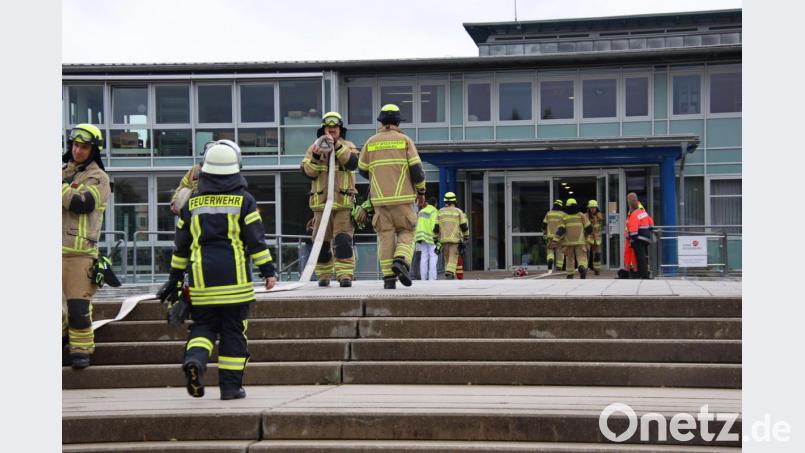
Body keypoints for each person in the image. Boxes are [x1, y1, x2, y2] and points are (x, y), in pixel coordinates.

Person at [159, 141, 277, 400]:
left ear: (206, 171)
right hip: (235, 284)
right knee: (234, 333)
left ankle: (195, 362)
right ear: (237, 169)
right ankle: (230, 388)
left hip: (202, 283)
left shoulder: (192, 204)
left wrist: (175, 280)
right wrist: (268, 271)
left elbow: (181, 248)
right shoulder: (245, 201)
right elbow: (256, 241)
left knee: (203, 328)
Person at [358, 104, 426, 289]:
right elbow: (417, 171)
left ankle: (389, 279)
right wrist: (421, 191)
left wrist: (378, 177)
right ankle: (401, 260)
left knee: (385, 236)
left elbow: (362, 170)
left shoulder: (370, 142)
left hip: (379, 200)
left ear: (381, 121)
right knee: (407, 231)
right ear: (398, 121)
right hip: (403, 198)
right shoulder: (405, 140)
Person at [62, 124, 112, 369]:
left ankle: (81, 352)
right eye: (74, 145)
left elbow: (83, 202)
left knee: (78, 307)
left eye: (83, 147)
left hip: (80, 253)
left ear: (93, 150)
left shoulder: (99, 178)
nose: (77, 151)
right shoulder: (61, 172)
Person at [300, 112, 360, 287]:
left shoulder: (348, 146)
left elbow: (352, 163)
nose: (332, 129)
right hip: (321, 204)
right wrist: (318, 156)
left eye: (335, 127)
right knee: (321, 243)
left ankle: (345, 275)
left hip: (343, 202)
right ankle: (324, 275)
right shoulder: (314, 148)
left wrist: (337, 148)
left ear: (340, 129)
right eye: (329, 127)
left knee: (343, 241)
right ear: (323, 129)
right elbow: (307, 172)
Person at [169, 139, 242, 215]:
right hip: (197, 211)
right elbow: (182, 187)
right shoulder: (196, 170)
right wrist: (176, 203)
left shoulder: (232, 173)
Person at [434, 192, 469, 280]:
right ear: (454, 201)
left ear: (445, 201)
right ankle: (449, 273)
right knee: (453, 258)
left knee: (447, 258)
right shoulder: (458, 211)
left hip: (444, 240)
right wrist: (466, 237)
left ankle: (448, 273)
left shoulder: (440, 212)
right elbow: (464, 226)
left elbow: (436, 228)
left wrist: (435, 239)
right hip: (455, 239)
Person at [555, 198, 592, 279]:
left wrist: (555, 239)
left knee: (569, 258)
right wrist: (586, 235)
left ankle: (570, 274)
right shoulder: (581, 215)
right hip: (580, 241)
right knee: (582, 257)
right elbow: (589, 228)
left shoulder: (564, 216)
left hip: (568, 242)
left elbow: (560, 230)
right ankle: (582, 266)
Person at [626, 192, 654, 279]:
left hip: (639, 238)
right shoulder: (643, 212)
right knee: (644, 256)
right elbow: (651, 223)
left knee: (640, 257)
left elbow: (633, 230)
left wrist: (631, 239)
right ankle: (644, 273)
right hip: (646, 237)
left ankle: (643, 275)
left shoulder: (634, 214)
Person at [415, 197, 439, 280]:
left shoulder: (421, 211)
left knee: (424, 256)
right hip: (430, 236)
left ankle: (423, 278)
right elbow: (435, 225)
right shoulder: (434, 211)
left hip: (420, 236)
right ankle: (432, 278)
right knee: (433, 255)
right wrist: (437, 236)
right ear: (435, 203)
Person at [542, 199, 566, 271]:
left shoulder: (549, 213)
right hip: (559, 236)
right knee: (560, 251)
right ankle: (559, 266)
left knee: (550, 250)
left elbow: (544, 224)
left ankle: (550, 259)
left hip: (550, 236)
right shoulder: (563, 214)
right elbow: (565, 226)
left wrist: (544, 233)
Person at [586, 200, 604, 275]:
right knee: (586, 253)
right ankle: (584, 269)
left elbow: (601, 226)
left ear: (596, 208)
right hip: (588, 238)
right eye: (591, 208)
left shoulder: (599, 216)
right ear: (589, 208)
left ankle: (597, 270)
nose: (593, 209)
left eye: (594, 208)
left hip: (597, 238)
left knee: (597, 254)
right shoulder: (586, 216)